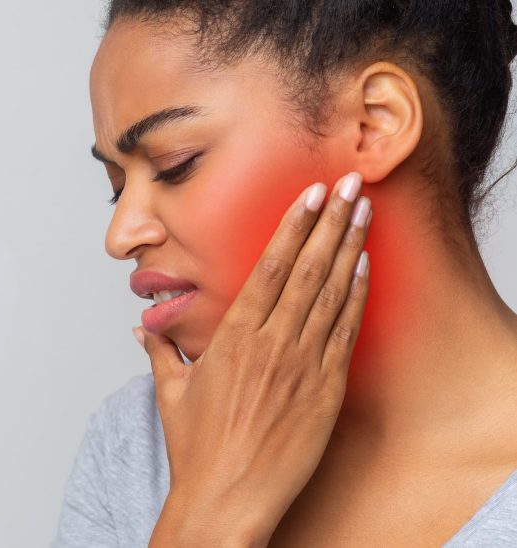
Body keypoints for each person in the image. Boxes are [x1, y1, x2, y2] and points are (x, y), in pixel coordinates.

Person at [52, 1, 517, 546]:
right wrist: (207, 512)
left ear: (376, 124)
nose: (121, 236)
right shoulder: (134, 448)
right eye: (117, 186)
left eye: (175, 164)